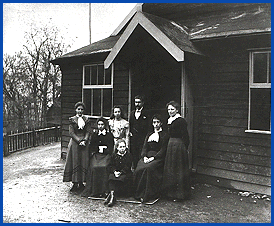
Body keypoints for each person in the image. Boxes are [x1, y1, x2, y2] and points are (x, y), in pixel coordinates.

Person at [133, 114, 169, 203]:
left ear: (161, 123)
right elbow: (145, 147)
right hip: (147, 156)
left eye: (157, 122)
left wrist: (153, 158)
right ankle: (138, 193)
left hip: (158, 158)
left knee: (148, 168)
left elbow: (163, 150)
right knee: (139, 167)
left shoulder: (164, 135)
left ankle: (147, 194)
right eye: (154, 122)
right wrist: (144, 156)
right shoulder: (149, 134)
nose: (156, 124)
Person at [162, 101, 191, 201]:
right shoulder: (169, 120)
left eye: (172, 109)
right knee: (171, 168)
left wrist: (184, 148)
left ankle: (179, 195)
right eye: (169, 109)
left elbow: (186, 136)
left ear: (177, 110)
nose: (170, 111)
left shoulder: (181, 121)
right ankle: (170, 193)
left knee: (178, 169)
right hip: (171, 145)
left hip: (179, 145)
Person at [81, 117, 114, 198]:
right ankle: (95, 191)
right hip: (96, 155)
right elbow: (92, 146)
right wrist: (98, 149)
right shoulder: (95, 135)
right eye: (99, 124)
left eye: (102, 124)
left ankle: (104, 191)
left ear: (105, 125)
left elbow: (111, 147)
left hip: (106, 155)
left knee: (104, 166)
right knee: (94, 167)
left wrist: (105, 150)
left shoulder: (109, 135)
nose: (100, 126)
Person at [63, 102, 91, 192]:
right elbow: (71, 133)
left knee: (83, 160)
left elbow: (88, 131)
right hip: (75, 142)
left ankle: (82, 182)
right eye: (78, 109)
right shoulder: (72, 120)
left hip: (84, 143)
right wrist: (79, 140)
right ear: (75, 110)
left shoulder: (86, 119)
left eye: (81, 109)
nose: (80, 111)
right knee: (74, 160)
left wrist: (85, 140)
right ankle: (74, 183)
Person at [104, 139, 132, 207]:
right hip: (116, 172)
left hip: (125, 172)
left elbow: (128, 166)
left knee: (122, 178)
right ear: (117, 148)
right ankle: (112, 196)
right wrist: (114, 171)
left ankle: (111, 195)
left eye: (123, 147)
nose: (122, 149)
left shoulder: (128, 155)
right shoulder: (114, 155)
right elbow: (111, 165)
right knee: (111, 177)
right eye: (120, 147)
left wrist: (121, 172)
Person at [129, 95, 150, 170]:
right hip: (134, 139)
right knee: (134, 155)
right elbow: (130, 125)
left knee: (141, 155)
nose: (137, 104)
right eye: (135, 102)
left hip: (142, 138)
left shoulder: (146, 113)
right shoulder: (132, 113)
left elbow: (148, 127)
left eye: (139, 102)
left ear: (143, 103)